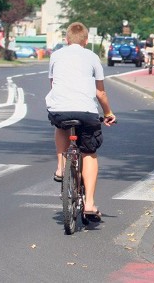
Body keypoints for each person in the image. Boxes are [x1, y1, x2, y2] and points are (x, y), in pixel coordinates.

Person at [46, 22, 117, 222]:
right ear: (85, 41)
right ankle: (90, 204)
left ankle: (60, 167)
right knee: (89, 152)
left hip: (59, 109)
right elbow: (100, 92)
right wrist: (109, 112)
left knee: (61, 126)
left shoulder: (56, 55)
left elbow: (54, 85)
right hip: (86, 111)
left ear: (66, 40)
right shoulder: (93, 57)